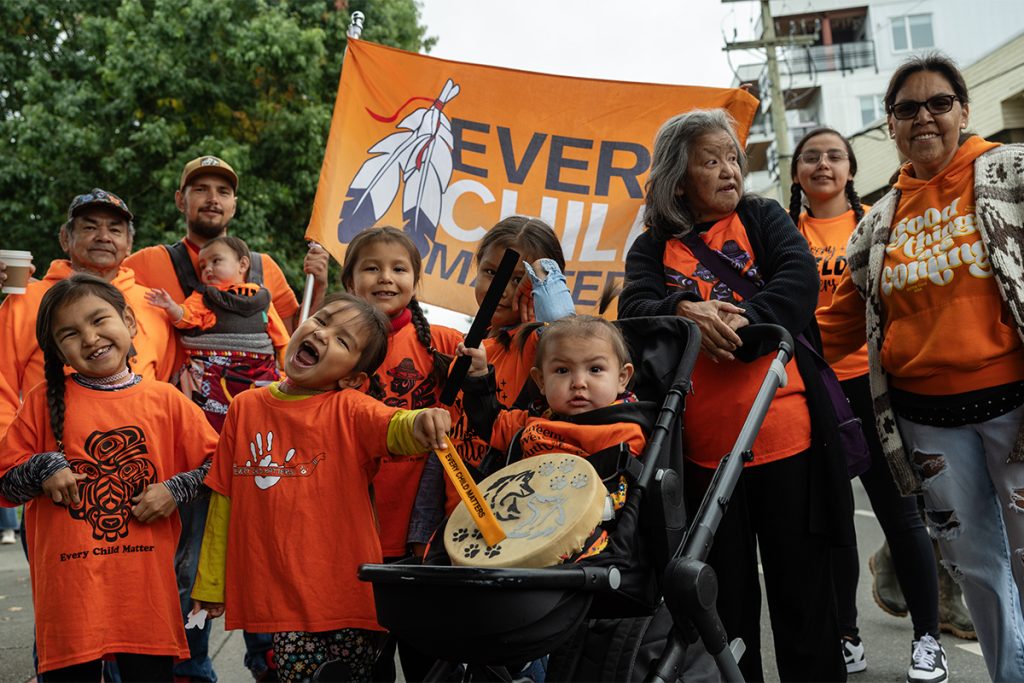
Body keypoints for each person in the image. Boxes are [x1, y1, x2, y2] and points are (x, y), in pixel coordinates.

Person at [618, 107, 853, 681]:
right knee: (722, 611)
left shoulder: (763, 215)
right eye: (711, 161)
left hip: (788, 440)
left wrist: (740, 330)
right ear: (679, 178)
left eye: (733, 159)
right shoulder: (652, 248)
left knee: (806, 603)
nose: (729, 171)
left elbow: (796, 283)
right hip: (702, 455)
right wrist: (682, 311)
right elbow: (632, 315)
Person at [818, 52, 1024, 681]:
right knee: (979, 571)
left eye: (939, 103)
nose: (924, 117)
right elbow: (836, 327)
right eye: (907, 109)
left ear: (964, 110)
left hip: (1016, 410)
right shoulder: (876, 223)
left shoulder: (1013, 171)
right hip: (927, 426)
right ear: (891, 127)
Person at [125, 155, 328, 682]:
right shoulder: (149, 261)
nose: (212, 198)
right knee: (187, 563)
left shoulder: (262, 267)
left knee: (263, 553)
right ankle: (189, 670)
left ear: (235, 204)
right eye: (200, 189)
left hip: (258, 440)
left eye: (223, 190)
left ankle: (271, 666)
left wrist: (321, 285)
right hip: (185, 442)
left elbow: (298, 333)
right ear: (181, 200)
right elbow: (113, 306)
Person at [189, 293, 452, 683]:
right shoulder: (244, 407)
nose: (323, 334)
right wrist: (210, 582)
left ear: (352, 378)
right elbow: (224, 496)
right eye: (321, 320)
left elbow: (396, 428)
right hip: (281, 599)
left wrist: (423, 422)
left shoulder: (351, 407)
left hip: (347, 598)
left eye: (343, 341)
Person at [0, 274, 218, 681]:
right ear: (57, 350)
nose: (90, 337)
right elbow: (5, 486)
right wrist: (43, 467)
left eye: (99, 320)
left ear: (130, 322)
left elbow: (220, 470)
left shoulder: (167, 400)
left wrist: (175, 489)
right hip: (71, 599)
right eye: (70, 333)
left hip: (144, 598)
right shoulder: (40, 404)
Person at [789, 127, 945, 679]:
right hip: (807, 389)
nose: (823, 165)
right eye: (811, 157)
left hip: (872, 388)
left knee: (900, 516)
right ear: (797, 173)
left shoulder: (879, 221)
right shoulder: (779, 233)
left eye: (834, 155)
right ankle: (845, 635)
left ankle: (928, 637)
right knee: (833, 521)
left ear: (851, 167)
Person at [339, 226, 464, 681]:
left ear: (416, 279)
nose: (385, 278)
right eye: (371, 268)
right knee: (366, 666)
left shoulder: (448, 345)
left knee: (426, 663)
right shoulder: (335, 351)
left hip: (425, 537)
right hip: (356, 531)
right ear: (350, 281)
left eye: (398, 268)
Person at [0, 189, 177, 441]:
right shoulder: (29, 298)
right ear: (65, 238)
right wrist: (13, 459)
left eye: (115, 230)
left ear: (129, 245)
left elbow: (163, 384)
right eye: (90, 228)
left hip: (138, 458)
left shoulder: (154, 304)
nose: (103, 237)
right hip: (48, 463)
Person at [460, 315, 647, 550]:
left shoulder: (623, 432)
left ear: (622, 379)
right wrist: (478, 376)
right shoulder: (533, 420)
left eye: (595, 369)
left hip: (579, 537)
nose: (579, 382)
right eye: (562, 370)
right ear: (540, 381)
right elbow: (493, 423)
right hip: (513, 527)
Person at [146, 235, 290, 431]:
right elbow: (186, 317)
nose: (208, 269)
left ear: (243, 264)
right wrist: (171, 307)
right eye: (203, 267)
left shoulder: (261, 298)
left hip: (257, 371)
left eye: (216, 261)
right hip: (212, 372)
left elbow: (280, 337)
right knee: (207, 421)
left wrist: (286, 369)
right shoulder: (203, 297)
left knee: (259, 418)